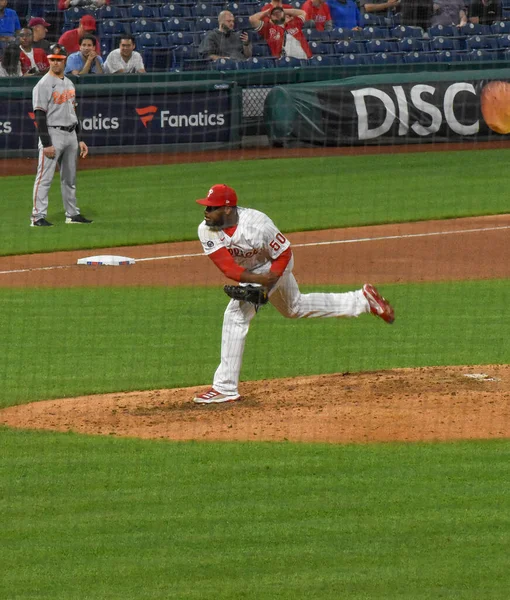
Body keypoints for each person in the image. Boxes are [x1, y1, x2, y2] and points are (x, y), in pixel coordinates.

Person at [192, 184, 395, 404]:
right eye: (207, 207)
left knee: (236, 314)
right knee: (294, 307)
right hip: (255, 274)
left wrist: (268, 283)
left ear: (229, 209)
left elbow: (284, 254)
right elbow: (228, 269)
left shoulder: (258, 224)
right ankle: (362, 300)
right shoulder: (206, 229)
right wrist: (258, 284)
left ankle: (225, 387)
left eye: (212, 208)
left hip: (276, 264)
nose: (206, 212)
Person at [31, 43, 92, 227]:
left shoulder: (69, 82)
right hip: (53, 133)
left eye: (59, 60)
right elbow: (39, 115)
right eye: (53, 60)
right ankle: (37, 217)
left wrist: (80, 139)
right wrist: (47, 143)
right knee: (44, 177)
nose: (55, 63)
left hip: (71, 134)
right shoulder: (43, 85)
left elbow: (74, 112)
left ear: (65, 60)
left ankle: (72, 214)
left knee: (70, 178)